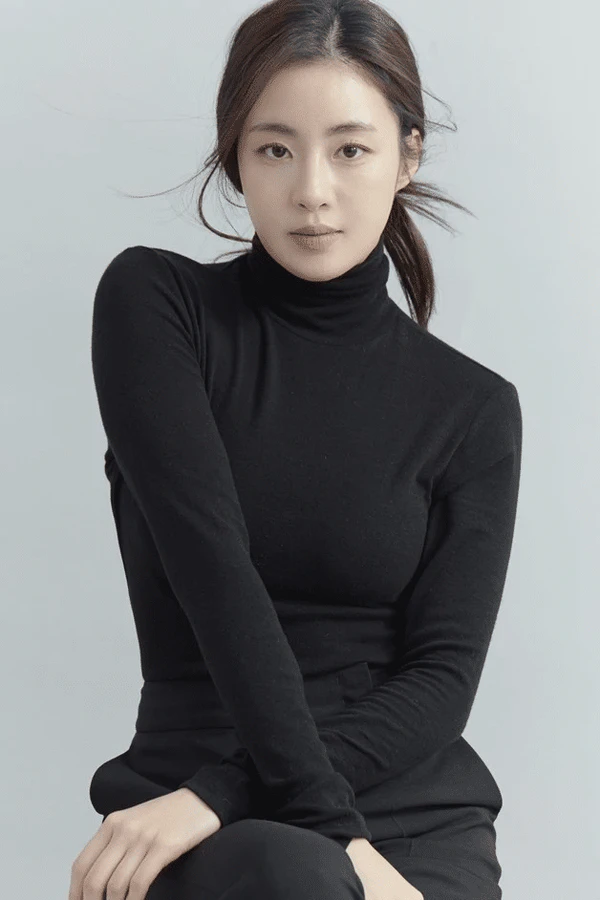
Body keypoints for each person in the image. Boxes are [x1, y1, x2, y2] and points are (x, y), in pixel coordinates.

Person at [68, 2, 522, 898]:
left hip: (402, 804)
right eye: (275, 149)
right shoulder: (158, 306)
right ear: (235, 157)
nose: (312, 190)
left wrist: (251, 799)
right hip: (204, 806)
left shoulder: (473, 406)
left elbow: (441, 677)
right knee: (289, 874)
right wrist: (319, 829)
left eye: (350, 149)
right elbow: (214, 573)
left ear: (408, 155)